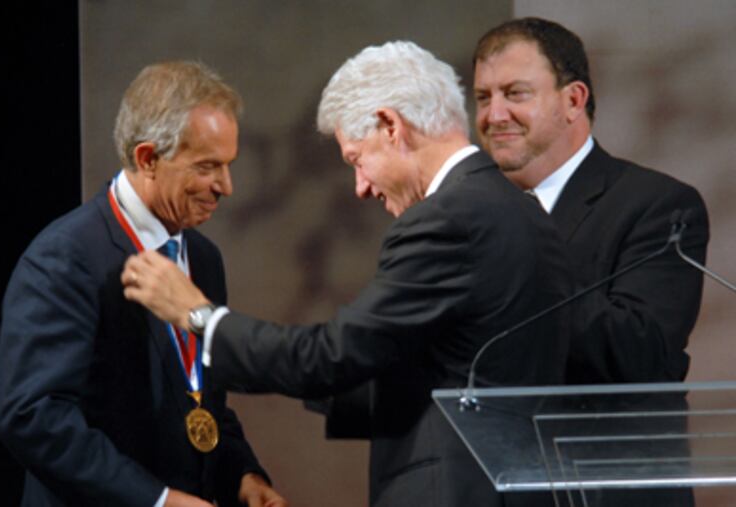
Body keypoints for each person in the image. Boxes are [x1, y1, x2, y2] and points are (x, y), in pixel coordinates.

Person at [122, 41, 572, 507]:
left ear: (390, 126)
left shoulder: (448, 219)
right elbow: (451, 374)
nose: (360, 188)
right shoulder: (525, 210)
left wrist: (199, 318)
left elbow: (332, 356)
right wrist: (318, 379)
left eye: (357, 159)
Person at [0, 61, 287, 507]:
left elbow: (201, 401)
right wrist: (157, 500)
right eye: (208, 166)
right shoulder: (65, 256)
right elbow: (33, 416)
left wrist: (244, 474)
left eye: (228, 165)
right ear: (148, 158)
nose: (226, 186)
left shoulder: (204, 258)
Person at [472, 17, 710, 506]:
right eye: (482, 97)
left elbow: (640, 350)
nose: (494, 114)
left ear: (573, 100)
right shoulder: (470, 214)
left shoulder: (658, 204)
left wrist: (512, 266)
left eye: (515, 93)